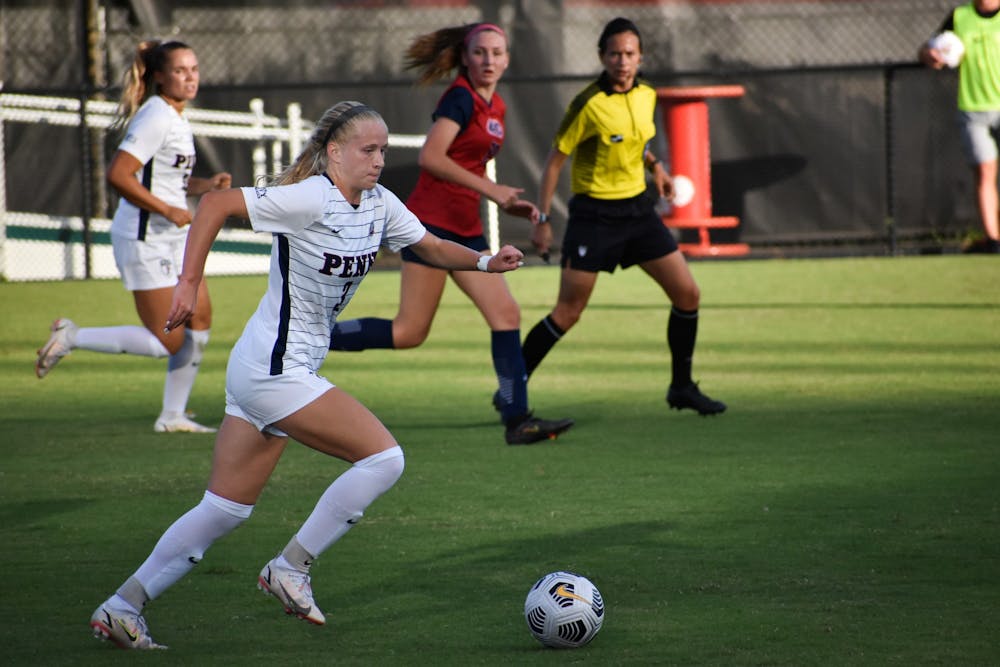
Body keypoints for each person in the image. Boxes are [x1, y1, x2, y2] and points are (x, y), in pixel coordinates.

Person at [89, 101, 526, 649]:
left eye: (385, 150)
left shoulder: (379, 204)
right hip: (275, 370)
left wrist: (486, 262)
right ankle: (290, 568)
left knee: (224, 510)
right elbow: (216, 204)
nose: (379, 160)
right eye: (368, 149)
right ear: (334, 152)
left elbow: (431, 247)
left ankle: (122, 606)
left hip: (266, 367)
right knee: (385, 458)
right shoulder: (311, 197)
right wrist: (187, 283)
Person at [329, 23, 573, 445]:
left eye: (497, 53)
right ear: (465, 57)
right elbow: (432, 157)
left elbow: (470, 168)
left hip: (466, 228)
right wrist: (493, 191)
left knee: (503, 316)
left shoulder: (495, 105)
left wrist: (506, 201)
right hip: (430, 226)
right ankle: (311, 335)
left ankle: (517, 420)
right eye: (480, 53)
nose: (489, 61)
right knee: (410, 332)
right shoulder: (460, 98)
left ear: (508, 59)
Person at [524, 17, 726, 416]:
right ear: (602, 56)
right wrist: (542, 219)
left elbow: (635, 141)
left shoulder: (647, 94)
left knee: (688, 294)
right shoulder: (588, 103)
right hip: (594, 217)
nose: (622, 61)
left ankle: (681, 387)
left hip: (638, 212)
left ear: (640, 57)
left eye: (630, 53)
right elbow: (553, 164)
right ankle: (512, 387)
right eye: (614, 53)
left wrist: (657, 168)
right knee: (568, 312)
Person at [34, 40, 232, 432]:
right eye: (180, 70)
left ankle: (172, 416)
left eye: (193, 69)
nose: (190, 77)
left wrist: (203, 185)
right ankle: (71, 336)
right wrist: (167, 209)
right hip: (145, 240)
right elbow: (119, 175)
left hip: (173, 237)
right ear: (159, 76)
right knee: (167, 342)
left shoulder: (176, 115)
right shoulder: (155, 116)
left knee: (201, 319)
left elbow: (163, 179)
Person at [920, 0, 1000, 254]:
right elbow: (928, 49)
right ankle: (994, 241)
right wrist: (931, 55)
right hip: (973, 109)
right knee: (986, 172)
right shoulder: (959, 16)